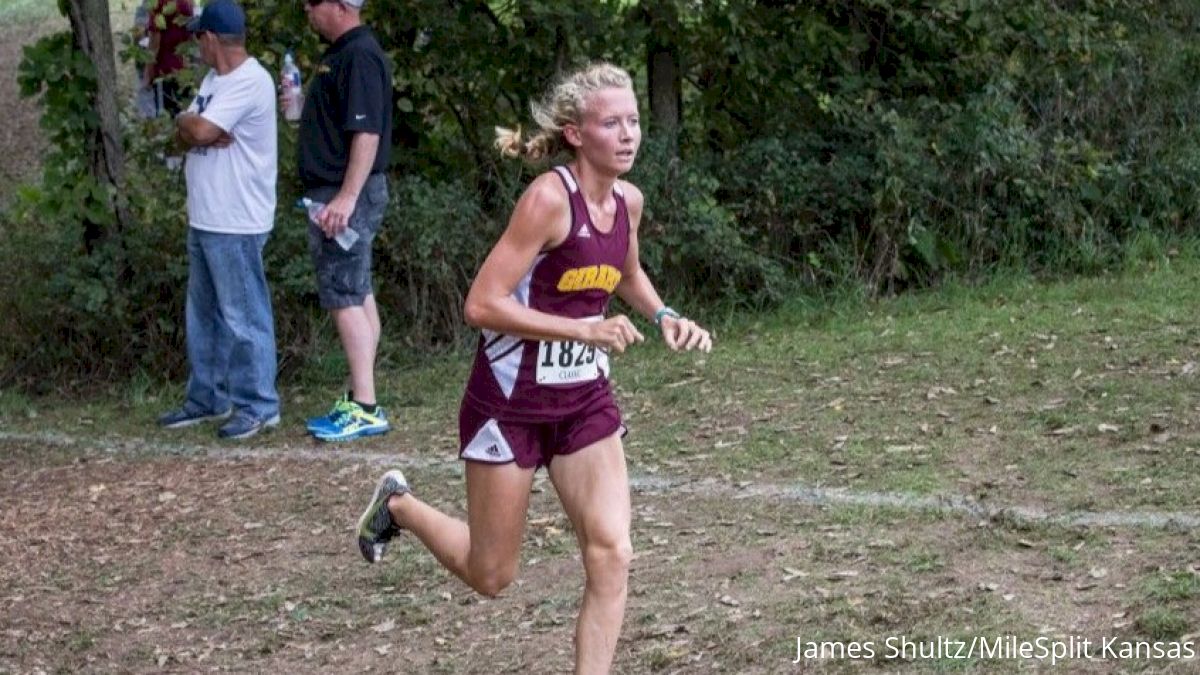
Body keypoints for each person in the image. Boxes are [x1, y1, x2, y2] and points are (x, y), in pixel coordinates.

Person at [355, 63, 713, 674]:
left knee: (612, 552)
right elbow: (480, 303)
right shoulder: (549, 199)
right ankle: (401, 507)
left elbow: (625, 274)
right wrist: (582, 328)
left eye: (633, 121)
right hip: (508, 403)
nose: (627, 135)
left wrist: (664, 316)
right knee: (492, 574)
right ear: (576, 133)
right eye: (611, 123)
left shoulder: (628, 200)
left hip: (583, 403)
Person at [157, 0, 281, 440]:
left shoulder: (250, 81)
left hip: (237, 219)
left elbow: (202, 132)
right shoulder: (214, 80)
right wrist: (189, 121)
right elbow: (190, 127)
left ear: (211, 38)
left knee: (243, 315)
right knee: (205, 314)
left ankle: (258, 404)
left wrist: (198, 126)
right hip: (208, 216)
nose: (196, 46)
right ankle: (207, 397)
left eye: (198, 38)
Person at [297, 0, 393, 442]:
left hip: (343, 194)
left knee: (343, 294)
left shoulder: (359, 54)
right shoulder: (338, 55)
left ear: (338, 5)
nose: (306, 10)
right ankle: (359, 395)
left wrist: (347, 197)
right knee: (357, 289)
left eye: (312, 3)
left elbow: (367, 132)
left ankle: (366, 406)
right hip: (334, 191)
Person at [143, 0, 194, 116]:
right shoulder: (187, 3)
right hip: (184, 71)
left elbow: (154, 44)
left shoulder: (158, 4)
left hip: (164, 72)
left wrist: (147, 74)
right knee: (183, 115)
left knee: (164, 117)